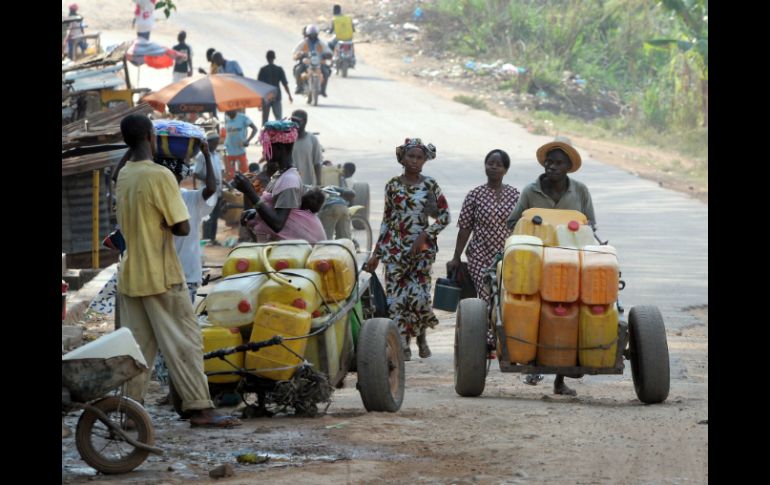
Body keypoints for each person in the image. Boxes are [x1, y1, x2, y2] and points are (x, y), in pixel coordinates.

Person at [114, 114, 240, 427]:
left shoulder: (125, 175)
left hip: (131, 275)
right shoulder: (160, 176)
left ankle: (129, 412)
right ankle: (200, 408)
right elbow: (182, 227)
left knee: (137, 349)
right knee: (186, 341)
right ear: (150, 137)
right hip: (162, 274)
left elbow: (122, 169)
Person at [506, 136, 596, 397]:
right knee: (534, 308)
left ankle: (560, 378)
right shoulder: (530, 191)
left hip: (570, 261)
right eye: (549, 161)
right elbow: (512, 222)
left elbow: (590, 224)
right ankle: (532, 362)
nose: (553, 166)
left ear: (569, 167)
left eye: (559, 163)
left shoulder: (580, 191)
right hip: (535, 261)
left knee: (567, 310)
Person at [365, 138, 450, 360]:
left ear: (425, 160)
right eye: (410, 156)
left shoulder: (430, 185)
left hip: (421, 252)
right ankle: (402, 344)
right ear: (402, 158)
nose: (414, 161)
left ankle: (421, 336)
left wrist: (425, 235)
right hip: (394, 250)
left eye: (419, 157)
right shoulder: (392, 185)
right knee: (396, 301)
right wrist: (376, 254)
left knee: (419, 298)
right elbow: (387, 221)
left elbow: (444, 217)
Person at [234, 120, 326, 244]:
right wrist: (256, 213)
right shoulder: (282, 175)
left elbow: (278, 224)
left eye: (268, 146)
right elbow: (279, 210)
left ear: (280, 148)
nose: (264, 151)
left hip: (295, 249)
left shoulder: (289, 180)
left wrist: (250, 192)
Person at [448, 149, 520, 302]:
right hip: (479, 255)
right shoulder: (474, 195)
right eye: (490, 163)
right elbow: (465, 228)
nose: (493, 167)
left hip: (506, 255)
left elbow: (521, 226)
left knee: (504, 297)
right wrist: (456, 257)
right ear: (485, 166)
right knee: (486, 294)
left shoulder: (515, 195)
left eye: (499, 165)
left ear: (505, 170)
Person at [194, 132, 224, 245]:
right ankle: (207, 238)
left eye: (217, 143)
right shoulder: (201, 156)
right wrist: (209, 180)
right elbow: (196, 173)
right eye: (214, 143)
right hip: (208, 190)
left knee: (215, 216)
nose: (216, 145)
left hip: (218, 190)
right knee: (208, 216)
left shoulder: (216, 155)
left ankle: (212, 238)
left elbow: (220, 173)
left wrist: (225, 184)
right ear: (208, 142)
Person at [293, 24, 332, 97]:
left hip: (318, 63)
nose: (313, 36)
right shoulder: (304, 42)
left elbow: (328, 51)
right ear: (308, 34)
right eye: (311, 35)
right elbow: (295, 51)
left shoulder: (320, 43)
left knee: (326, 72)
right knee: (297, 70)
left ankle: (323, 90)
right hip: (306, 62)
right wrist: (299, 54)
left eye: (314, 34)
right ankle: (299, 87)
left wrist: (327, 55)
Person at [258, 50, 294, 126]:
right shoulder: (279, 69)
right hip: (276, 96)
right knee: (279, 119)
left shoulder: (263, 70)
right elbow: (285, 84)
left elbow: (259, 86)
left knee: (265, 120)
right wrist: (289, 95)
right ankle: (279, 133)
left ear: (267, 58)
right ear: (274, 58)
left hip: (266, 96)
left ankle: (263, 133)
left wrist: (259, 101)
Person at [290, 110, 323, 186]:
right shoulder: (287, 139)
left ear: (305, 122)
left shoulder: (312, 139)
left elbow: (317, 163)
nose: (294, 124)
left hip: (308, 185)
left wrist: (319, 183)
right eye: (292, 121)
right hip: (290, 185)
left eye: (297, 121)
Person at [223, 110, 258, 181]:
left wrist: (248, 140)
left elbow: (255, 129)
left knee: (244, 175)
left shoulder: (243, 118)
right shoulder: (226, 118)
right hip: (229, 151)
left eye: (228, 111)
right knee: (230, 177)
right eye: (225, 111)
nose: (226, 113)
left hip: (240, 151)